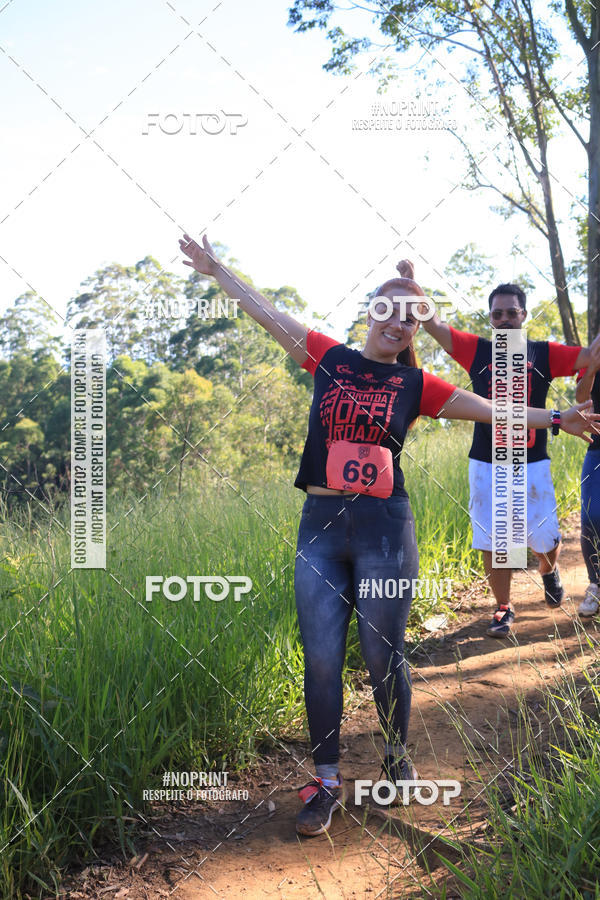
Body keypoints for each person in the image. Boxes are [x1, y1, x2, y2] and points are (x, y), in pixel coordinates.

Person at [178, 233, 600, 837]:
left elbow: (494, 409)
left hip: (385, 528)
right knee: (321, 657)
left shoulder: (418, 385)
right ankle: (325, 782)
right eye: (388, 307)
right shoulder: (329, 358)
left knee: (381, 653)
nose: (398, 321)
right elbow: (268, 312)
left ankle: (397, 759)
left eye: (410, 314)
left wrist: (558, 417)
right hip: (320, 527)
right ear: (370, 311)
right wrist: (220, 271)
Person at [420, 277, 600, 637]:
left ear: (524, 315)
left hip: (533, 461)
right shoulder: (477, 351)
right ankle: (503, 607)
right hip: (486, 463)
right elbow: (433, 324)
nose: (504, 319)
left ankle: (548, 570)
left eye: (511, 313)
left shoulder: (543, 353)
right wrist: (411, 286)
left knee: (544, 539)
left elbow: (589, 357)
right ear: (490, 318)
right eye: (497, 313)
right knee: (495, 540)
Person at [575, 340, 600, 617]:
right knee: (592, 515)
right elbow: (581, 402)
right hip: (598, 448)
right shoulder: (592, 358)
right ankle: (596, 583)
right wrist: (591, 369)